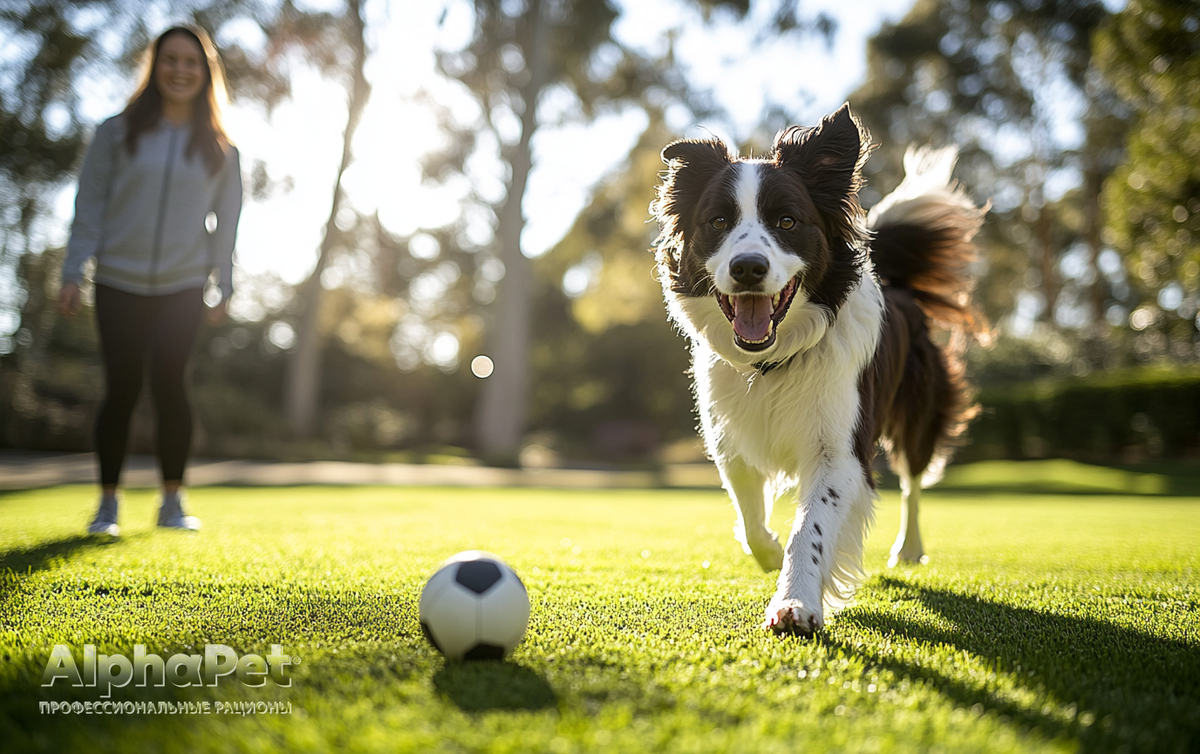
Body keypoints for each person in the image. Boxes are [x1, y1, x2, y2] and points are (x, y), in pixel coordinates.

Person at [58, 25, 243, 536]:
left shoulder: (222, 150)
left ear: (205, 72)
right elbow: (88, 206)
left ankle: (172, 501)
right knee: (122, 388)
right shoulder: (114, 132)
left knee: (170, 385)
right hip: (117, 278)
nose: (180, 70)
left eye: (191, 62)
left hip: (183, 284)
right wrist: (73, 271)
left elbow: (226, 224)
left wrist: (222, 282)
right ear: (154, 67)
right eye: (170, 60)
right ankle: (108, 505)